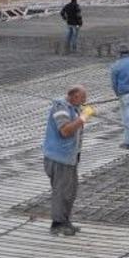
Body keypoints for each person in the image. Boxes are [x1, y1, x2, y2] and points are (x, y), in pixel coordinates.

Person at [42, 85, 95, 236]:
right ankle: (57, 224)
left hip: (69, 158)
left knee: (69, 192)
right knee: (61, 191)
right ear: (73, 96)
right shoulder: (61, 108)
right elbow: (65, 131)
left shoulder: (73, 107)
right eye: (82, 99)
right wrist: (84, 117)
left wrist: (82, 113)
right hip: (59, 158)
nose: (83, 102)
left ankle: (65, 221)